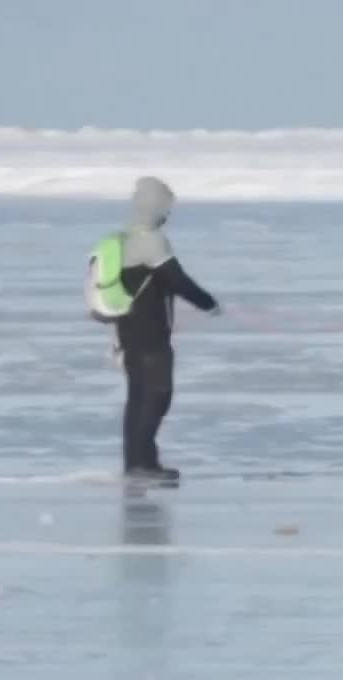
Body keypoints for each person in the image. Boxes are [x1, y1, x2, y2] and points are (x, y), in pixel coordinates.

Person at [111, 176, 220, 482]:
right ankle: (144, 464)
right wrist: (208, 303)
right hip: (150, 333)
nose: (167, 213)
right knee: (159, 394)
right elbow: (177, 280)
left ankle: (136, 463)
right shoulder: (151, 239)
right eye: (166, 207)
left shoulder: (126, 238)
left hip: (127, 331)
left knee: (138, 397)